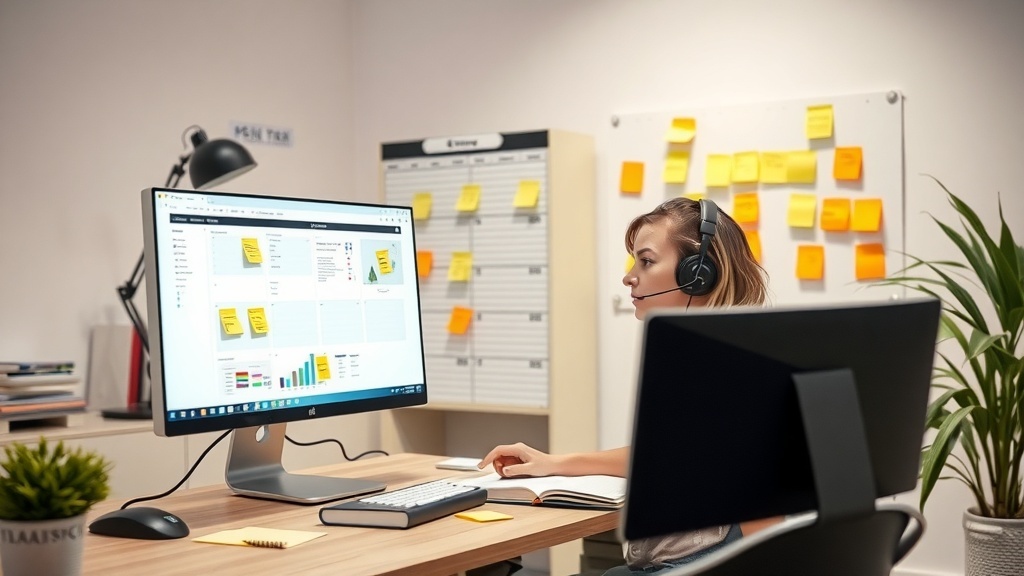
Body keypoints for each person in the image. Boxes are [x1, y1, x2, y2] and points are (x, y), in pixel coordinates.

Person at [478, 197, 769, 576]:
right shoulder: (696, 358)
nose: (629, 276)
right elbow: (663, 455)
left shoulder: (734, 372)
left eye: (646, 261)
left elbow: (766, 517)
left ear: (698, 274)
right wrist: (554, 463)